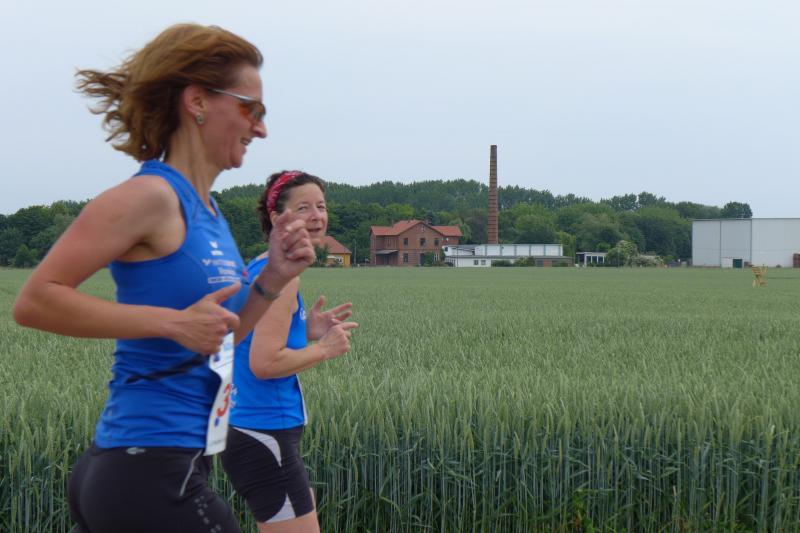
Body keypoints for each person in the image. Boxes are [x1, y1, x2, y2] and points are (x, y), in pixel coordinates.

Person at [12, 24, 315, 533]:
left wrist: (274, 278)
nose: (261, 129)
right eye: (251, 109)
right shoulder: (150, 197)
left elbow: (219, 336)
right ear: (197, 102)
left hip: (163, 465)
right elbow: (36, 301)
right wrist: (170, 323)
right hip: (145, 471)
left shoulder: (209, 212)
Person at [221, 171, 358, 532]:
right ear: (276, 218)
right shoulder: (283, 278)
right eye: (303, 208)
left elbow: (250, 335)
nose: (317, 216)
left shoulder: (260, 267)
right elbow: (265, 363)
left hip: (248, 429)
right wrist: (324, 349)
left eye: (321, 206)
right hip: (265, 429)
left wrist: (304, 329)